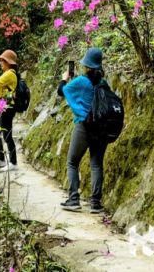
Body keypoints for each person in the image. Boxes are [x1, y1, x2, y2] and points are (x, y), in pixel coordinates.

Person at [57, 47, 108, 214]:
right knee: (96, 164)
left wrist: (65, 79)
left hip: (84, 126)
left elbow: (62, 91)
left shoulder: (81, 81)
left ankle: (73, 199)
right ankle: (96, 203)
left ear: (86, 65)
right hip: (101, 128)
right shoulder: (103, 83)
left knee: (72, 162)